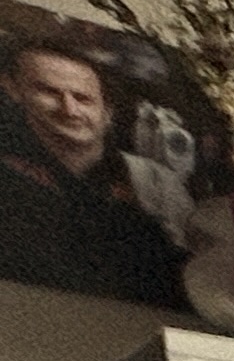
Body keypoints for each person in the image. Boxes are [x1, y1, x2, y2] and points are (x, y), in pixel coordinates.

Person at [0, 31, 186, 307]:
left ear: (107, 112)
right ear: (14, 92)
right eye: (49, 92)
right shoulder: (9, 180)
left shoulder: (150, 184)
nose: (70, 110)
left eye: (83, 98)